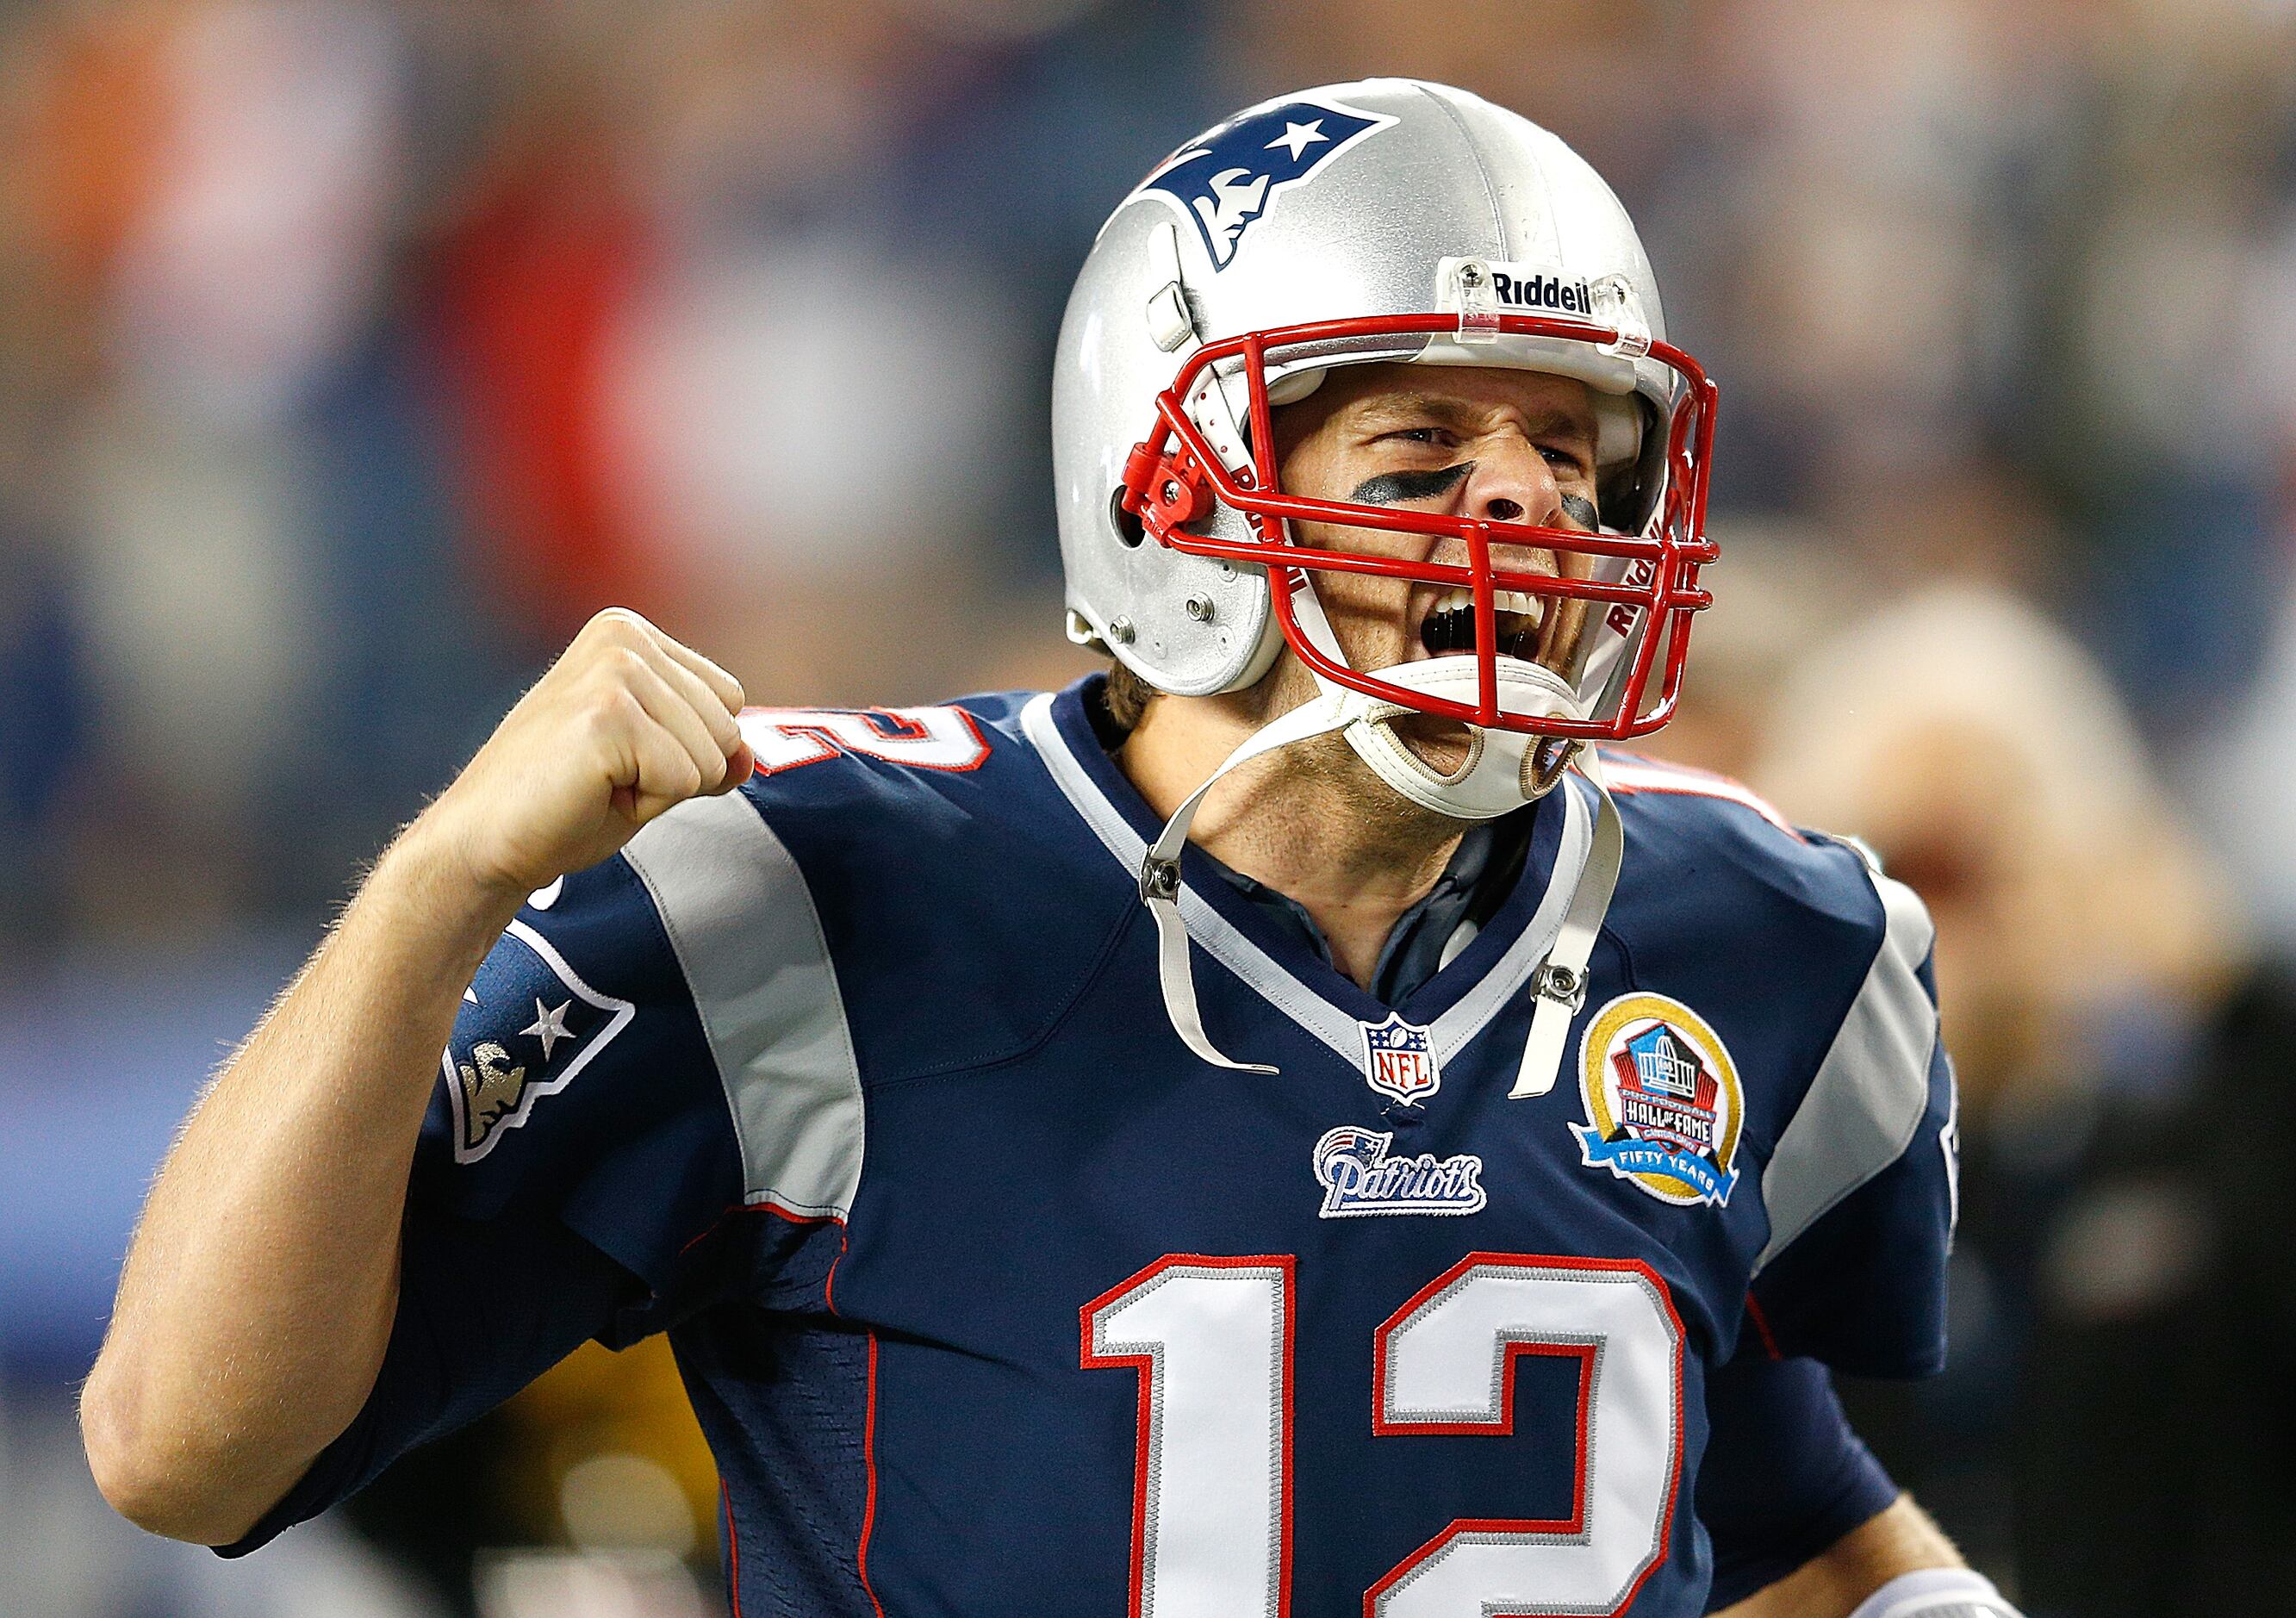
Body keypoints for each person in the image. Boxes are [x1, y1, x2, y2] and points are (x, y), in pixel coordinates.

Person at [81, 80, 2013, 1616]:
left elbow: (1735, 1477)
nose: (1521, 525)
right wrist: (439, 888)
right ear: (1163, 497)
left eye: (1569, 467)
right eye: (1421, 463)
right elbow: (187, 1451)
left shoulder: (1760, 937)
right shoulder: (825, 897)